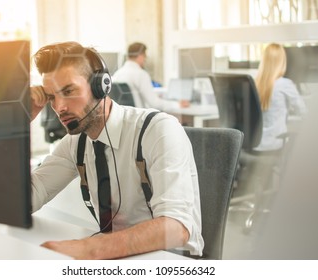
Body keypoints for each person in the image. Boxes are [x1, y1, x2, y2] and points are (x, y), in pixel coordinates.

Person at [30, 41, 204, 260]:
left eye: (68, 91)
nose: (60, 107)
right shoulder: (76, 142)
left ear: (100, 86)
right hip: (118, 257)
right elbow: (26, 200)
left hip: (173, 259)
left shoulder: (158, 130)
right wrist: (16, 123)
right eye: (52, 97)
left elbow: (176, 227)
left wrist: (89, 249)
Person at [254, 43, 307, 151]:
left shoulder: (255, 83)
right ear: (281, 62)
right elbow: (303, 111)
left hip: (256, 144)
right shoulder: (284, 84)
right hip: (275, 143)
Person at [112, 42, 190, 110]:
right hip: (139, 120)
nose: (145, 60)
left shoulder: (117, 74)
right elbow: (154, 103)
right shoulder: (141, 74)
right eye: (145, 56)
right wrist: (177, 104)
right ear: (140, 56)